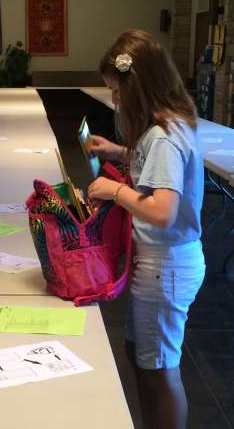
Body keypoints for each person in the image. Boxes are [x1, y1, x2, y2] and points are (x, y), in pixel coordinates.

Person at [87, 29, 205, 429]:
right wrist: (119, 152)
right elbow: (153, 166)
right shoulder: (167, 126)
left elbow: (162, 211)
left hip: (166, 266)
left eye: (117, 92)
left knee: (159, 370)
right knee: (144, 358)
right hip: (161, 264)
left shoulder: (164, 136)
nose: (115, 101)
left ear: (138, 88)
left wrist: (115, 189)